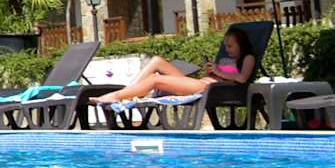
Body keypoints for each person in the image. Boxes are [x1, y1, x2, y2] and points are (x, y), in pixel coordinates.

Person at [93, 26, 259, 106]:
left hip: (206, 88)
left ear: (241, 45)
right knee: (157, 61)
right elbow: (222, 75)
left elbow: (242, 78)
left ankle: (117, 96)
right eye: (226, 46)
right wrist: (212, 70)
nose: (227, 49)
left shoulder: (248, 58)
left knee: (156, 80)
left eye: (230, 46)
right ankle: (128, 91)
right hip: (200, 82)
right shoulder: (225, 60)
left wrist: (218, 72)